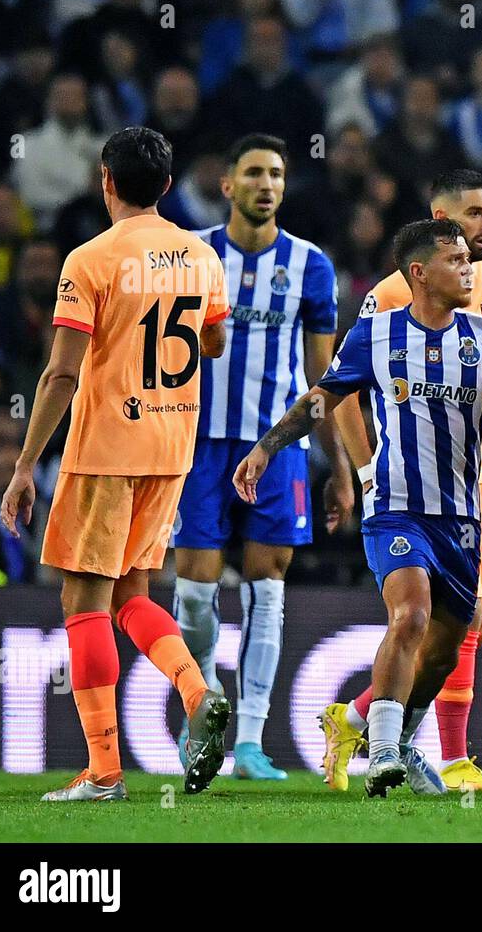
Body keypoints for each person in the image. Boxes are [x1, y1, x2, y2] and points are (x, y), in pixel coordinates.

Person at [233, 218, 482, 798]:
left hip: (462, 517)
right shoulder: (374, 334)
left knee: (444, 653)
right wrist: (267, 448)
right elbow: (323, 400)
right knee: (412, 616)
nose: (469, 268)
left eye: (468, 260)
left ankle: (396, 741)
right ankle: (381, 756)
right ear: (420, 273)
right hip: (395, 508)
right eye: (455, 260)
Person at [0, 126, 232, 801]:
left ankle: (104, 771)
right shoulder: (201, 255)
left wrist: (23, 466)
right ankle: (195, 691)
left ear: (106, 181)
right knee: (132, 595)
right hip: (172, 448)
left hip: (106, 448)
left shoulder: (90, 259)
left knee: (83, 600)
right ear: (165, 185)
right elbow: (212, 341)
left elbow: (60, 376)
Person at [319, 170, 482, 793]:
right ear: (439, 217)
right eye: (474, 214)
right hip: (413, 479)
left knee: (473, 619)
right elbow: (343, 392)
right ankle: (450, 757)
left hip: (478, 469)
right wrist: (369, 467)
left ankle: (354, 719)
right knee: (421, 620)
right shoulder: (392, 293)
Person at [171, 133, 353, 780]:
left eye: (276, 173)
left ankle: (247, 741)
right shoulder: (191, 254)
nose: (266, 183)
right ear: (228, 185)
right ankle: (204, 713)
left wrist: (336, 467)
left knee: (266, 589)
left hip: (280, 450)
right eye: (253, 172)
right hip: (196, 445)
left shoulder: (310, 265)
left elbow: (323, 376)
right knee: (193, 591)